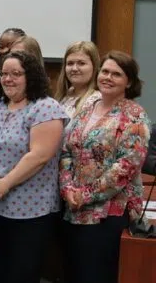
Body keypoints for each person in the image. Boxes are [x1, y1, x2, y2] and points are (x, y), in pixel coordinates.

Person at [0, 51, 67, 283]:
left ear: (30, 76)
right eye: (4, 74)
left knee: (20, 274)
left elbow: (39, 156)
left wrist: (6, 183)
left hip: (29, 212)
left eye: (16, 74)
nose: (8, 79)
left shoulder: (46, 108)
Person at [59, 51, 150, 283]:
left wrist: (85, 195)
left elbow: (126, 167)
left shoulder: (135, 116)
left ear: (128, 82)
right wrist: (67, 188)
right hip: (73, 210)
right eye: (105, 72)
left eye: (116, 74)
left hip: (108, 216)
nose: (108, 77)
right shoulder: (87, 108)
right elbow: (67, 150)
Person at [55, 41, 101, 119]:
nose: (74, 68)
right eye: (70, 63)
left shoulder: (97, 100)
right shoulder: (64, 96)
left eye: (81, 63)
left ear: (94, 66)